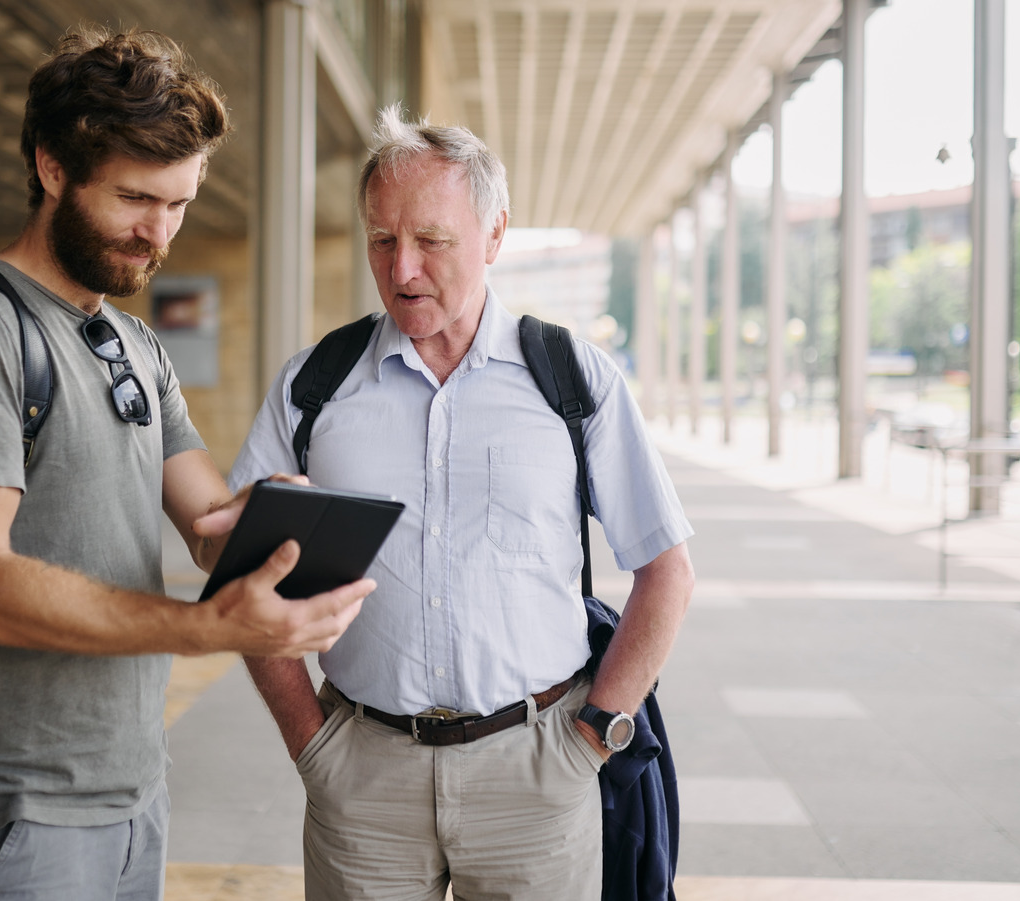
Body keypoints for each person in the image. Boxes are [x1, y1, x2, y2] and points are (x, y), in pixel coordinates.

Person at [0, 28, 371, 901]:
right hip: (8, 814)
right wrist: (205, 628)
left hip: (132, 795)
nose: (159, 234)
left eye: (180, 204)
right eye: (138, 198)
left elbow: (208, 524)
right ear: (53, 168)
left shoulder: (135, 342)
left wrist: (267, 524)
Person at [226, 108, 695, 900]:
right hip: (360, 775)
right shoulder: (316, 385)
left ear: (494, 234)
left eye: (431, 241)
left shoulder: (572, 378)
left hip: (539, 776)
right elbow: (245, 573)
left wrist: (595, 736)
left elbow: (667, 569)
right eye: (382, 240)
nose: (402, 268)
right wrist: (311, 741)